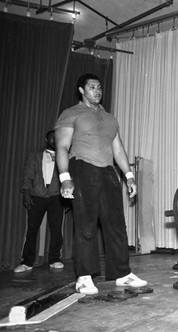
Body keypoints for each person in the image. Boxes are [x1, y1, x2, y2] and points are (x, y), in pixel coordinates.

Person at [54, 73, 147, 295]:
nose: (98, 91)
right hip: (82, 167)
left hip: (107, 171)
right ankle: (84, 277)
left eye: (100, 87)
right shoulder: (71, 114)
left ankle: (122, 273)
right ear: (81, 90)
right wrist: (65, 178)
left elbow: (118, 149)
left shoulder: (109, 118)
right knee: (85, 225)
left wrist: (129, 175)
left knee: (116, 224)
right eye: (92, 87)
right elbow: (62, 147)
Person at [14, 130, 65, 273]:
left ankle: (55, 259)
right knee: (31, 229)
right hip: (37, 195)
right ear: (46, 139)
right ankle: (26, 262)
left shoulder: (64, 156)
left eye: (57, 138)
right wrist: (26, 193)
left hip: (56, 197)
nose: (55, 140)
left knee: (56, 229)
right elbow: (27, 175)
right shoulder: (35, 155)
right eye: (52, 138)